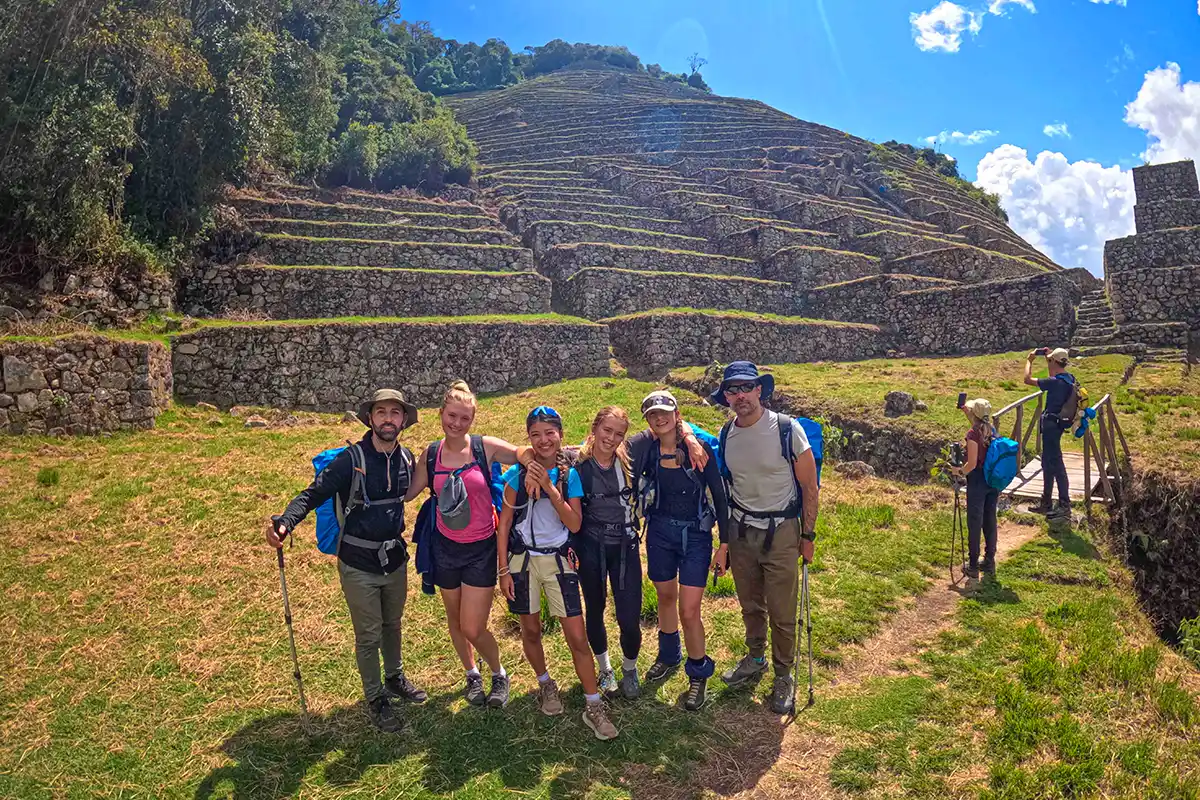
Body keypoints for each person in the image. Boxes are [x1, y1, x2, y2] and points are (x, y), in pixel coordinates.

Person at [268, 389, 428, 733]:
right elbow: (313, 494)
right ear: (370, 419)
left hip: (394, 560)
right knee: (369, 634)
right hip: (357, 564)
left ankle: (395, 678)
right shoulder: (350, 460)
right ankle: (376, 697)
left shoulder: (406, 459)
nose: (388, 419)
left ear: (403, 420)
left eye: (395, 413)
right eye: (381, 412)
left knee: (393, 623)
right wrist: (285, 521)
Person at [403, 381, 537, 709]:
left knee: (472, 626)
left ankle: (499, 672)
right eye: (452, 416)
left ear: (472, 419)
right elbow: (407, 492)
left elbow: (520, 451)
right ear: (441, 414)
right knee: (454, 619)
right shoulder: (431, 455)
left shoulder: (483, 448)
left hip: (481, 549)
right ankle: (471, 673)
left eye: (464, 418)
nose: (457, 423)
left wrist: (530, 462)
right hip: (444, 547)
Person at [497, 406, 620, 740]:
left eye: (549, 433)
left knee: (577, 637)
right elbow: (504, 523)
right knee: (531, 629)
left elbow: (575, 523)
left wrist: (551, 490)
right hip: (523, 563)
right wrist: (503, 570)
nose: (543, 440)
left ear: (560, 435)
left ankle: (593, 704)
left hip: (558, 562)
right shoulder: (515, 477)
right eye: (535, 434)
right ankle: (545, 683)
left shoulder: (570, 476)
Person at [710, 362, 819, 715]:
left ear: (760, 390)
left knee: (783, 610)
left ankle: (783, 674)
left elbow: (809, 487)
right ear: (726, 396)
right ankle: (756, 657)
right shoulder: (727, 433)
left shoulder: (787, 429)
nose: (739, 395)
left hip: (783, 531)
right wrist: (724, 541)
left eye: (746, 387)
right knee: (750, 603)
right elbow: (728, 489)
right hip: (742, 532)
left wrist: (808, 535)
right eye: (732, 389)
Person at [627, 390, 729, 711]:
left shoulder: (697, 448)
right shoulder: (646, 447)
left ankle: (698, 672)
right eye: (652, 414)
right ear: (647, 420)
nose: (659, 418)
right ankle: (669, 655)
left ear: (676, 412)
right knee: (665, 598)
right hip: (659, 532)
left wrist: (724, 544)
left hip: (696, 536)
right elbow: (606, 447)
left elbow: (720, 497)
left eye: (664, 412)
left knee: (689, 610)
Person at [572, 406, 644, 700]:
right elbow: (534, 449)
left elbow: (673, 428)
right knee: (596, 608)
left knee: (629, 617)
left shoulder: (630, 460)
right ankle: (604, 669)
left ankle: (630, 668)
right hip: (591, 547)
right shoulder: (576, 466)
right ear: (595, 427)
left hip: (626, 546)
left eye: (618, 434)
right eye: (607, 430)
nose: (611, 438)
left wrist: (689, 438)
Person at [1024, 347, 1075, 517]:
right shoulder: (1068, 379)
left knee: (1057, 465)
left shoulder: (1054, 383)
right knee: (1047, 462)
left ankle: (1064, 504)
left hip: (1051, 426)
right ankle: (1046, 502)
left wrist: (1029, 361)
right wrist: (1049, 357)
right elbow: (1053, 372)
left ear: (1054, 361)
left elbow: (1027, 379)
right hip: (1058, 424)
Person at [951, 398, 999, 578]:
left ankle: (972, 565)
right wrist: (968, 413)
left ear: (974, 414)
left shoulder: (972, 434)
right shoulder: (991, 430)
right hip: (991, 479)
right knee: (989, 519)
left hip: (977, 480)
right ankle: (989, 560)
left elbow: (971, 463)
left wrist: (959, 471)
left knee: (974, 521)